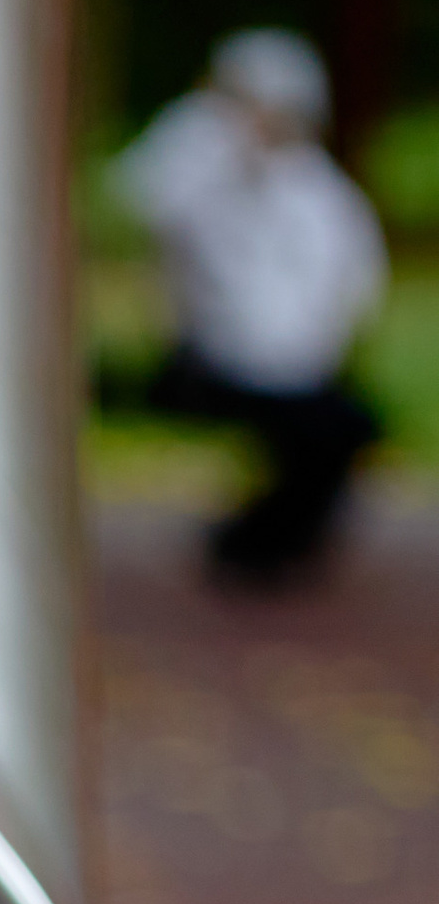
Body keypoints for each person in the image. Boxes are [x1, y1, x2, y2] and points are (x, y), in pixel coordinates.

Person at [116, 29, 387, 582]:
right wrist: (210, 129)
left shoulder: (316, 190)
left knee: (338, 429)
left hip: (298, 369)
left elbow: (353, 284)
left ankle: (265, 540)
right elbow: (145, 196)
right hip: (214, 359)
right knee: (324, 430)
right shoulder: (201, 169)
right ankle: (255, 542)